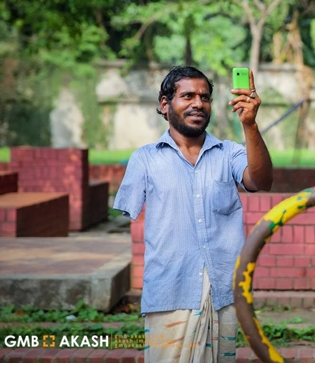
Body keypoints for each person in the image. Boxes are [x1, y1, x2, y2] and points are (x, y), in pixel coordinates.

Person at [113, 66, 273, 363]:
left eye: (205, 97)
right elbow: (127, 216)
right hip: (169, 291)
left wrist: (250, 125)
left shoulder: (229, 153)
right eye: (188, 96)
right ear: (165, 104)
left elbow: (260, 181)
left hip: (223, 292)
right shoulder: (145, 159)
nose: (198, 103)